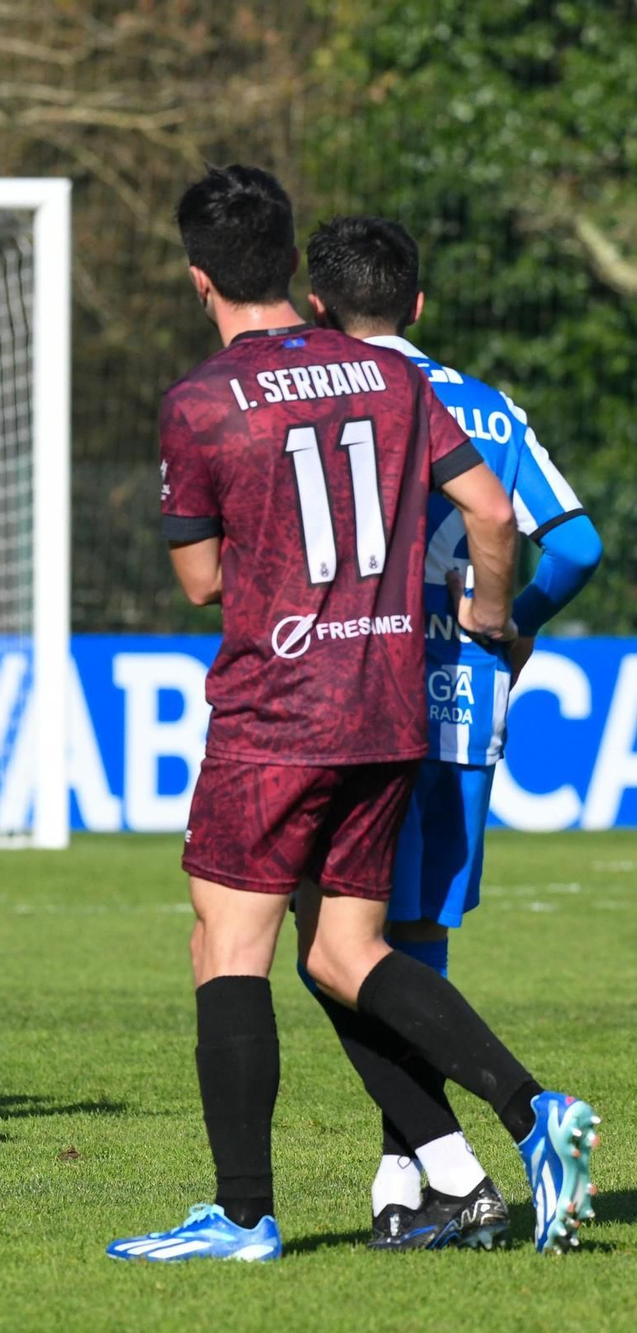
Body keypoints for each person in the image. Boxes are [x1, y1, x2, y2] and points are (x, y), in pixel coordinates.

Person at [105, 167, 599, 1263]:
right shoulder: (388, 376)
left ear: (198, 280)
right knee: (342, 951)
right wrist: (480, 615)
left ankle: (239, 1217)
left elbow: (196, 579)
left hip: (275, 708)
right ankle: (527, 1118)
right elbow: (487, 510)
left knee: (224, 943)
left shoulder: (198, 400)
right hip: (388, 704)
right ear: (292, 265)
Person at [302, 214, 603, 1249]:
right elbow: (574, 543)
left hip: (351, 692)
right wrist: (505, 626)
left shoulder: (322, 401)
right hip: (463, 704)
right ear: (419, 304)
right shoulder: (482, 404)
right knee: (410, 939)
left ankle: (453, 1161)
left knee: (330, 940)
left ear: (313, 307)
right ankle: (410, 1178)